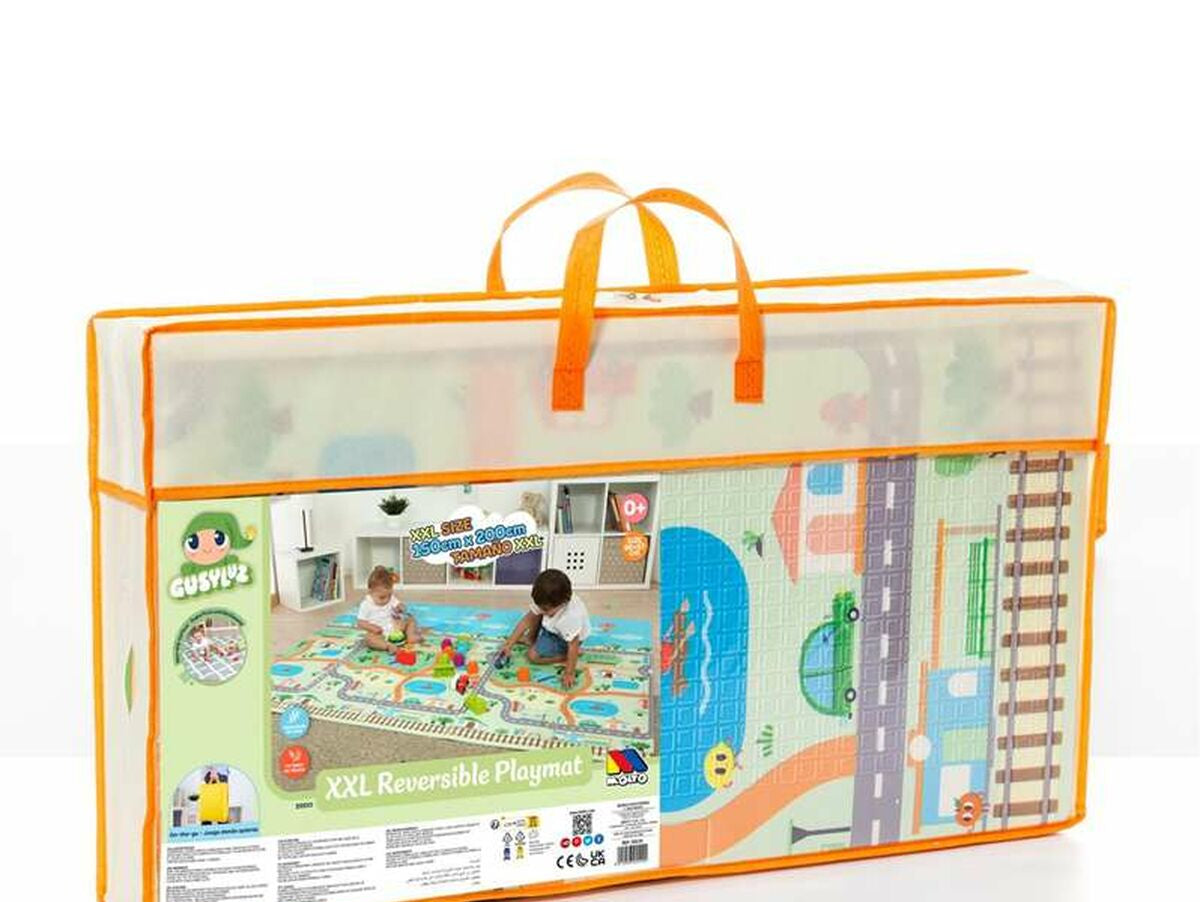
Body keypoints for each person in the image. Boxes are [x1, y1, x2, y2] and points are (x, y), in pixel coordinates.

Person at [498, 568, 590, 689]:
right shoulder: (549, 600)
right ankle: (530, 639)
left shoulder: (569, 618)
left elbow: (573, 644)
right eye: (540, 606)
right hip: (555, 627)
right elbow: (527, 620)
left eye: (546, 609)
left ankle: (566, 656)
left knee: (533, 656)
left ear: (563, 603)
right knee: (536, 613)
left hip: (566, 638)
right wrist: (509, 644)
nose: (542, 610)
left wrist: (569, 672)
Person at [356, 565, 420, 652]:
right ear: (370, 592)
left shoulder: (391, 598)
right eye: (382, 597)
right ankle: (387, 646)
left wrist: (401, 608)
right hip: (379, 633)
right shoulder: (366, 604)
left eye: (389, 595)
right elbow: (360, 622)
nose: (387, 599)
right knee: (368, 639)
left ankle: (411, 636)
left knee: (410, 619)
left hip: (395, 627)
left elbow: (399, 604)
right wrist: (372, 628)